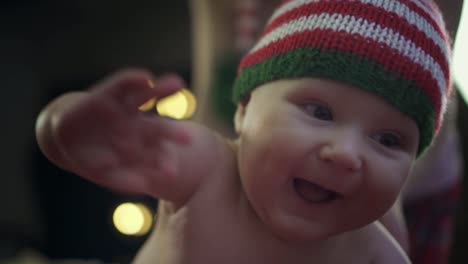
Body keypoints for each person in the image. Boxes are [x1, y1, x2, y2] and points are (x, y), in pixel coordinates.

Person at [35, 0, 452, 263]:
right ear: (244, 109)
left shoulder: (376, 251)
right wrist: (69, 127)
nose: (345, 153)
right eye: (319, 111)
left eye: (388, 140)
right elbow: (76, 143)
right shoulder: (208, 170)